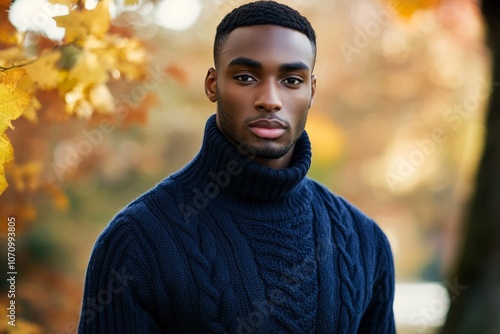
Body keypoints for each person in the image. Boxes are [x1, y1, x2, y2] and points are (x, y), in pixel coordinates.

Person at [78, 1, 395, 333]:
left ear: (311, 91)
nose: (269, 99)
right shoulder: (138, 240)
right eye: (246, 77)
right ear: (213, 85)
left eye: (291, 80)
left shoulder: (363, 241)